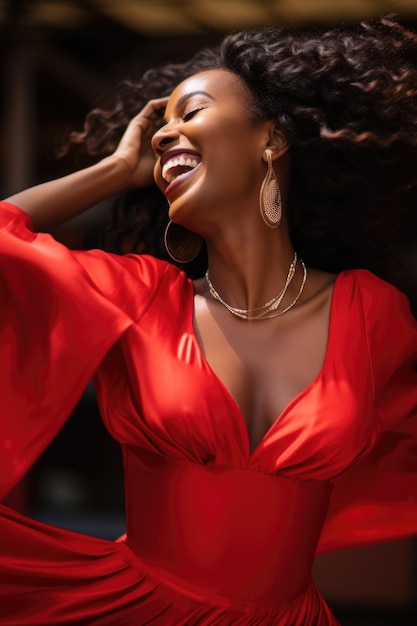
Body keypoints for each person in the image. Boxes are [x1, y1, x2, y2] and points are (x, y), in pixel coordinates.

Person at [1, 13, 417, 626]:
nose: (166, 135)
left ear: (271, 140)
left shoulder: (373, 311)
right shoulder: (141, 296)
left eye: (189, 113)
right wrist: (115, 172)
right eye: (160, 127)